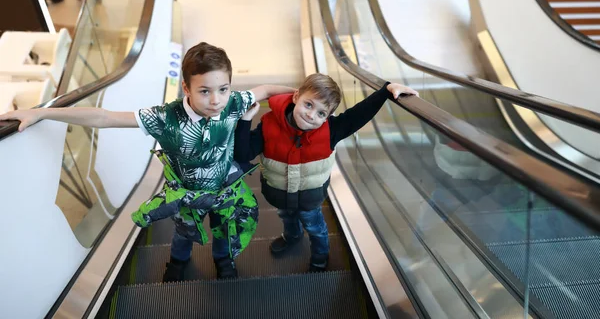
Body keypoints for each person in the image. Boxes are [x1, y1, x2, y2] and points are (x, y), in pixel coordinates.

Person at [0, 42, 296, 281]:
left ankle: (223, 261)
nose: (216, 100)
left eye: (223, 89)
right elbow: (105, 118)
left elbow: (266, 91)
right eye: (205, 91)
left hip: (222, 191)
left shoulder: (233, 103)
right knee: (182, 233)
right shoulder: (167, 118)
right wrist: (41, 113)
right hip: (183, 195)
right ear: (186, 88)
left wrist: (306, 98)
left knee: (222, 227)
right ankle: (178, 262)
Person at [233, 73, 418, 271]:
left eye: (321, 113)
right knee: (287, 217)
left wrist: (385, 91)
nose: (311, 115)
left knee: (316, 228)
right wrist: (245, 120)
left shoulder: (331, 130)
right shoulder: (269, 125)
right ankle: (292, 236)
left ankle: (320, 255)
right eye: (308, 105)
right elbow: (243, 154)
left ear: (328, 117)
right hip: (279, 194)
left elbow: (359, 114)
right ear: (296, 97)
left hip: (310, 198)